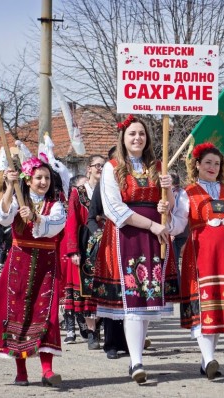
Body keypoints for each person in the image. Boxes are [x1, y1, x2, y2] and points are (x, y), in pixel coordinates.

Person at [92, 114, 179, 384]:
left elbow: (170, 207)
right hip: (126, 236)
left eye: (141, 133)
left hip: (156, 237)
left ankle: (137, 356)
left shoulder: (158, 166)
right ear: (123, 137)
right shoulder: (112, 167)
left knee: (148, 302)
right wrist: (152, 225)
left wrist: (169, 195)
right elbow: (114, 209)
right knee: (132, 301)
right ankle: (136, 361)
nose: (137, 138)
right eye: (132, 133)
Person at [167, 142, 224, 380]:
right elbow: (176, 225)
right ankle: (208, 359)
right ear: (196, 165)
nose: (212, 167)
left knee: (218, 310)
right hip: (200, 256)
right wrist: (164, 214)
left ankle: (206, 361)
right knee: (203, 307)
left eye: (216, 164)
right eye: (207, 162)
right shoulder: (188, 193)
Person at [0, 155, 66, 387]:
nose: (43, 182)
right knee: (18, 314)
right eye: (38, 177)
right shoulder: (17, 200)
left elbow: (55, 226)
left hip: (47, 266)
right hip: (20, 264)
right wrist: (8, 188)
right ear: (28, 180)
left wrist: (35, 217)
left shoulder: (55, 205)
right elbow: (2, 218)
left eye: (46, 178)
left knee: (46, 315)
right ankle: (21, 371)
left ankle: (47, 371)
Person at [86, 146, 130, 360]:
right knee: (112, 294)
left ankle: (130, 342)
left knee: (132, 293)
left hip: (132, 242)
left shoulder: (134, 183)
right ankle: (111, 343)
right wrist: (100, 236)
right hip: (110, 245)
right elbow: (91, 218)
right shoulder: (103, 186)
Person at [60, 155, 105, 349]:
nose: (100, 169)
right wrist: (73, 251)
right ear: (89, 168)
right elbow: (71, 222)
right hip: (86, 244)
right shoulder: (78, 193)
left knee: (105, 289)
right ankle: (92, 331)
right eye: (97, 166)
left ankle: (101, 328)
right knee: (86, 291)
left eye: (104, 166)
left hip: (107, 244)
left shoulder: (110, 191)